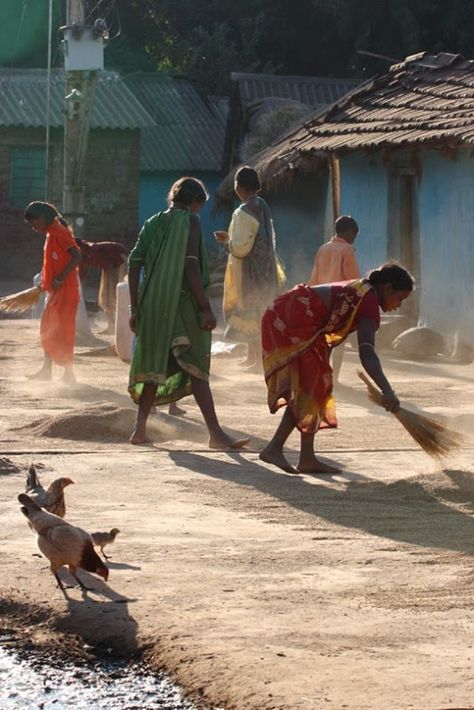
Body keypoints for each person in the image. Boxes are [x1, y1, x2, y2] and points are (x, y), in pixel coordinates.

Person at [128, 176, 250, 448]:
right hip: (181, 304)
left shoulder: (153, 223)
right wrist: (205, 307)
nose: (199, 212)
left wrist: (135, 308)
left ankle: (139, 430)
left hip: (152, 305)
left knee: (154, 366)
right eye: (199, 207)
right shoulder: (190, 221)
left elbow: (134, 263)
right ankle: (216, 434)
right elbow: (191, 266)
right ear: (196, 203)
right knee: (197, 367)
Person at [260, 263, 414, 474]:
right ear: (387, 288)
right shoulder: (368, 303)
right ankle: (275, 448)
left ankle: (305, 457)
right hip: (291, 317)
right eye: (400, 299)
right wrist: (388, 391)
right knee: (310, 389)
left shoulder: (365, 293)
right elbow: (367, 354)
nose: (399, 306)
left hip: (288, 312)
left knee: (315, 386)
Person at [214, 166, 285, 370]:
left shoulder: (243, 211)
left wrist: (226, 242)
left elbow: (241, 247)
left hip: (250, 271)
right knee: (260, 313)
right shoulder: (262, 205)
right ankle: (254, 357)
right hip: (266, 268)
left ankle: (257, 360)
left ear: (240, 186)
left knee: (250, 313)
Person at [24, 201, 82, 384]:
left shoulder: (60, 233)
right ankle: (48, 370)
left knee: (63, 331)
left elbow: (77, 255)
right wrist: (46, 283)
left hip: (66, 291)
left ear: (41, 218)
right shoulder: (51, 233)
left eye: (34, 223)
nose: (34, 228)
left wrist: (60, 278)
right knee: (48, 329)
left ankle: (68, 373)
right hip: (57, 291)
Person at [308, 215, 361, 383]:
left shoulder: (323, 248)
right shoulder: (347, 251)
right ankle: (334, 377)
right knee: (338, 340)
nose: (354, 239)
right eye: (354, 235)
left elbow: (314, 276)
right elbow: (353, 279)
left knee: (322, 339)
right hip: (339, 302)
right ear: (348, 232)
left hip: (321, 298)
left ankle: (321, 373)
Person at [75, 239, 129, 334]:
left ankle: (123, 326)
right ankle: (111, 326)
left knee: (118, 294)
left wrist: (115, 286)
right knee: (105, 296)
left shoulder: (94, 251)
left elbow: (110, 269)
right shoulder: (82, 255)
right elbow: (81, 274)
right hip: (110, 265)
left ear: (80, 248)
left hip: (120, 260)